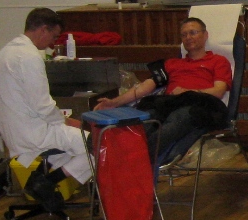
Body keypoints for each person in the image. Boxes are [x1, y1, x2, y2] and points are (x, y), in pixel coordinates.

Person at [0, 8, 92, 208]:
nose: (52, 43)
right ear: (43, 29)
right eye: (53, 37)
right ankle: (46, 183)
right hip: (33, 133)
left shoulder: (6, 51)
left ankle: (38, 179)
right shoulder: (29, 57)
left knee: (73, 148)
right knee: (98, 144)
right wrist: (68, 121)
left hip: (13, 130)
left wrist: (63, 122)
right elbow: (43, 106)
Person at [95, 17, 231, 163]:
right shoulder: (171, 64)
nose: (188, 37)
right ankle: (123, 157)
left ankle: (136, 161)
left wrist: (187, 92)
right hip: (169, 104)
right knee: (145, 120)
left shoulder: (218, 61)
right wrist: (113, 103)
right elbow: (143, 88)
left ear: (205, 35)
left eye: (193, 32)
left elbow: (218, 91)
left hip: (198, 105)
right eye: (184, 35)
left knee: (177, 119)